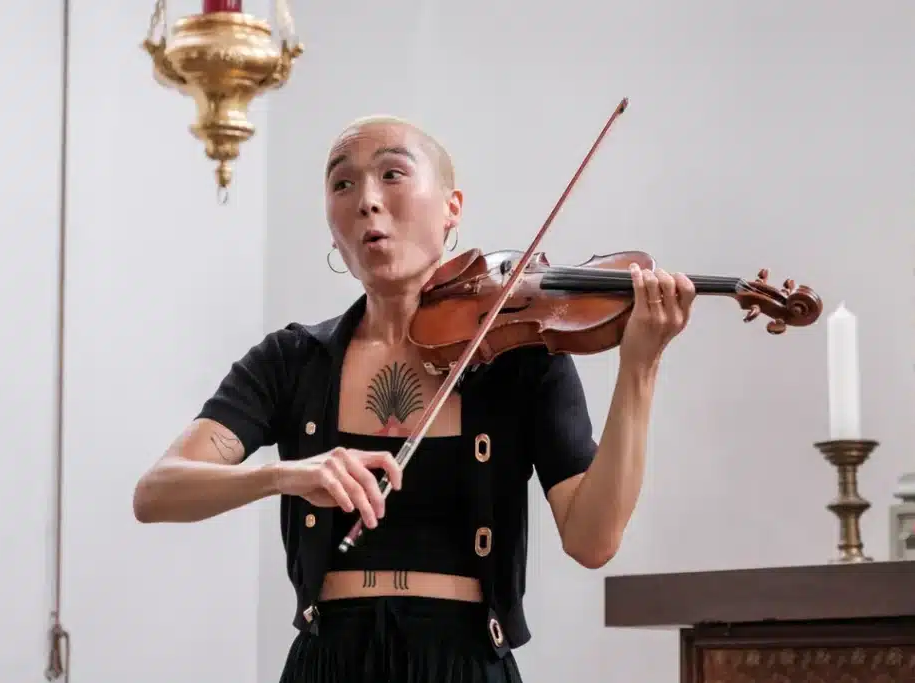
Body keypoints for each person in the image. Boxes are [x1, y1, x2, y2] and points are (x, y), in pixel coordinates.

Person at [132, 114, 695, 682]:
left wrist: (640, 366)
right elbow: (157, 492)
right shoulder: (291, 360)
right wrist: (285, 476)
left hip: (465, 664)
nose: (367, 201)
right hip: (328, 663)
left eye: (392, 174)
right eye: (343, 183)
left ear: (452, 207)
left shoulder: (520, 355)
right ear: (332, 227)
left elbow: (592, 539)